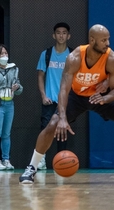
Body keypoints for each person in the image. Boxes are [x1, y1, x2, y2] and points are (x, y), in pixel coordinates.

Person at [19, 25, 114, 184]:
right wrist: (62, 118)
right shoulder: (75, 57)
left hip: (100, 96)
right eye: (104, 40)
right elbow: (64, 89)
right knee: (53, 123)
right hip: (77, 97)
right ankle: (31, 168)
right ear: (92, 40)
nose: (108, 43)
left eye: (108, 39)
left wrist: (104, 99)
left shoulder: (112, 58)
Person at [36, 22, 72, 170]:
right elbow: (40, 76)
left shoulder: (72, 55)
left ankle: (62, 161)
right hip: (50, 100)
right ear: (54, 35)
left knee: (63, 131)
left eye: (64, 33)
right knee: (46, 129)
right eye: (58, 32)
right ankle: (41, 159)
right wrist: (43, 96)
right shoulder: (46, 54)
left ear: (68, 36)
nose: (61, 35)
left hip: (66, 101)